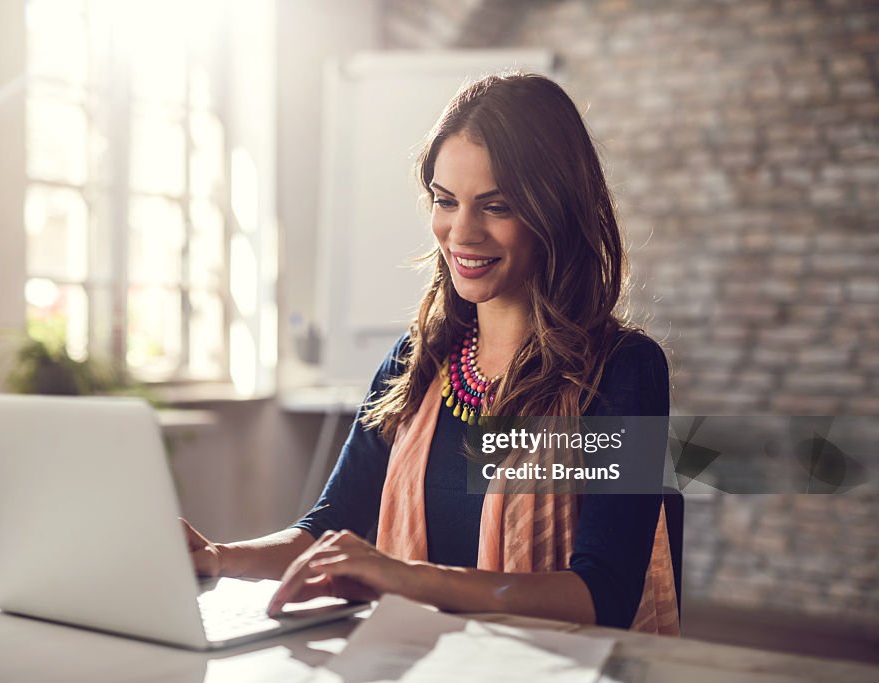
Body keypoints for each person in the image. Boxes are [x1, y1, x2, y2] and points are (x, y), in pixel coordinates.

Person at [182, 72, 679, 635]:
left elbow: (603, 595)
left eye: (496, 207)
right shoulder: (416, 361)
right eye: (446, 201)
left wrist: (408, 577)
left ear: (555, 212)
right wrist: (219, 558)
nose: (460, 232)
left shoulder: (623, 369)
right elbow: (330, 528)